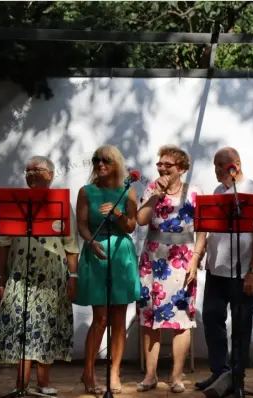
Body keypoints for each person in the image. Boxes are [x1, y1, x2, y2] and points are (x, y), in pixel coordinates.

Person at [0, 156, 80, 395]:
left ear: (51, 175)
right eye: (29, 170)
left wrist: (73, 276)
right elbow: (2, 244)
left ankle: (44, 382)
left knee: (47, 324)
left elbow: (72, 245)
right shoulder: (13, 204)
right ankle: (21, 384)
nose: (33, 173)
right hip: (18, 274)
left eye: (39, 169)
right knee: (21, 327)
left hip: (53, 274)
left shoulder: (61, 204)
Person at [194, 147, 253, 393]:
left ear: (234, 165)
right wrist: (199, 255)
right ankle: (219, 373)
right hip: (217, 271)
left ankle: (237, 380)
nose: (215, 170)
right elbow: (207, 229)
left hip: (243, 273)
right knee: (213, 320)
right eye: (214, 165)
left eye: (219, 165)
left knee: (242, 326)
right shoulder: (217, 192)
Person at [136, 145, 205, 393]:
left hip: (182, 261)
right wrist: (155, 194)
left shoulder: (194, 192)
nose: (162, 168)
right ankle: (150, 375)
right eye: (160, 164)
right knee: (149, 319)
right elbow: (141, 220)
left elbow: (202, 231)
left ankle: (176, 376)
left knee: (181, 320)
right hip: (152, 260)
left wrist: (195, 260)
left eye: (168, 164)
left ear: (182, 168)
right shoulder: (151, 188)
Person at [74, 144, 141, 394]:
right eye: (96, 160)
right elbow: (81, 225)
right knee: (100, 318)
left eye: (106, 160)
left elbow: (132, 226)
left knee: (119, 319)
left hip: (121, 256)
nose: (100, 165)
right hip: (96, 253)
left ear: (116, 164)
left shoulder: (128, 193)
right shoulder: (86, 192)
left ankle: (114, 374)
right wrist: (90, 242)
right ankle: (88, 373)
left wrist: (119, 214)